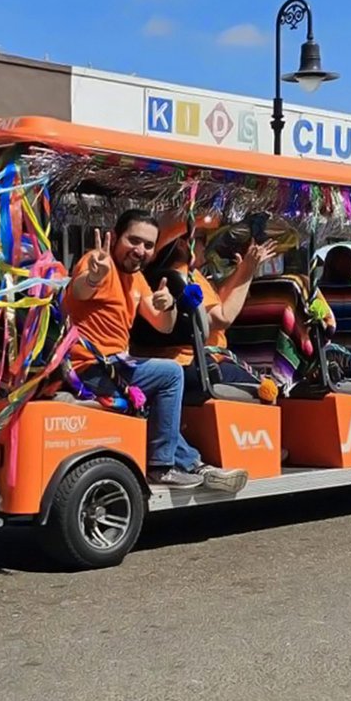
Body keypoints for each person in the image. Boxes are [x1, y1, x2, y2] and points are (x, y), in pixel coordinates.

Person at [63, 210, 248, 492]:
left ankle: (194, 464)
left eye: (148, 245)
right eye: (133, 240)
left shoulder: (137, 278)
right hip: (89, 367)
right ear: (115, 236)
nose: (140, 250)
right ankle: (162, 467)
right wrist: (92, 278)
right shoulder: (97, 262)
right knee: (171, 373)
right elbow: (80, 291)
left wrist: (168, 304)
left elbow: (163, 325)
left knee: (155, 402)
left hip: (114, 367)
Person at [140, 226, 278, 399]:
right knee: (268, 390)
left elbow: (218, 302)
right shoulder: (186, 277)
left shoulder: (172, 274)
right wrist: (248, 272)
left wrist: (242, 272)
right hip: (195, 362)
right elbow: (222, 318)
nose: (206, 245)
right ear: (184, 244)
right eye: (202, 239)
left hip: (185, 360)